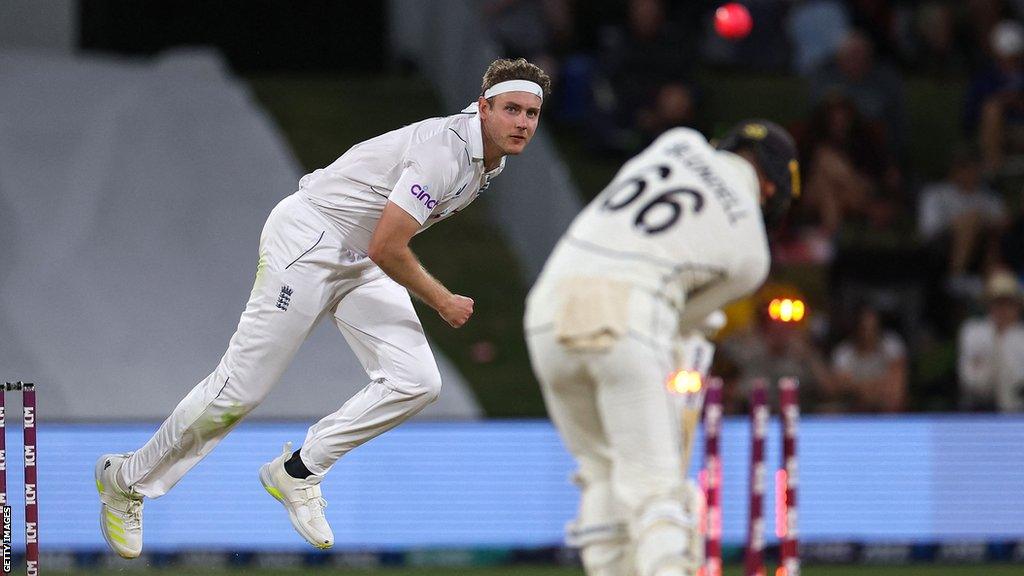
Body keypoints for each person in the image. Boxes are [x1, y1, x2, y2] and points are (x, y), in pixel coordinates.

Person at [94, 58, 551, 558]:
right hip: (310, 241)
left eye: (531, 113)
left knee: (417, 381)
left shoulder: (490, 159)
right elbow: (389, 247)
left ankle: (297, 472)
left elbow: (380, 244)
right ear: (483, 108)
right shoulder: (446, 152)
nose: (523, 123)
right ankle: (126, 481)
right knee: (240, 391)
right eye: (511, 109)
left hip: (360, 255)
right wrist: (441, 300)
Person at [524, 120, 799, 576]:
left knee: (600, 473)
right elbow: (682, 323)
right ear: (771, 189)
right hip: (624, 319)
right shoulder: (752, 254)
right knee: (657, 489)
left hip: (547, 309)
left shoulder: (678, 142)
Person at [958, 269, 1024, 412]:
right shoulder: (973, 331)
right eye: (998, 303)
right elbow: (968, 377)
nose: (1003, 309)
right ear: (989, 304)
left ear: (1017, 305)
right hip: (979, 408)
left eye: (1008, 303)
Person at [823, 303, 908, 413]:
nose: (868, 333)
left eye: (872, 328)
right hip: (853, 408)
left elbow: (897, 389)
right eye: (864, 328)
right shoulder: (844, 353)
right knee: (829, 411)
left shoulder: (892, 346)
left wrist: (861, 388)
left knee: (893, 401)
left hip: (885, 407)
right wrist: (872, 388)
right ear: (856, 329)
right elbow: (836, 388)